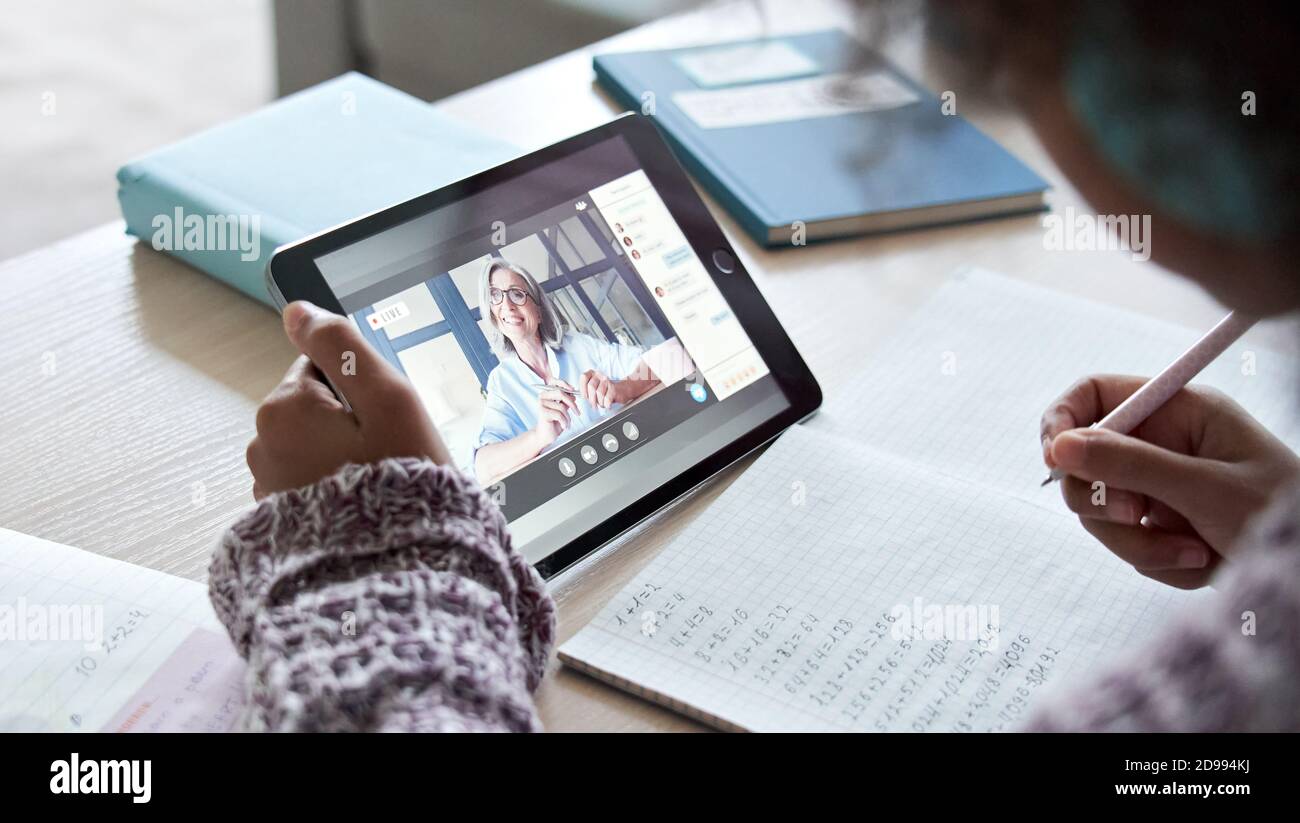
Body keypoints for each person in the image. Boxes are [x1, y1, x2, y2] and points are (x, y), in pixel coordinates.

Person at [215, 0, 1300, 731]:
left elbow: (654, 362)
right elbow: (485, 456)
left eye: (1014, 61)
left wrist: (375, 553)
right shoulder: (502, 387)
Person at [471, 257, 661, 483]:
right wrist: (539, 436)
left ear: (538, 311)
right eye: (495, 296)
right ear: (493, 316)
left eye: (517, 294)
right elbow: (483, 467)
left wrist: (622, 389)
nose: (507, 305)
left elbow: (660, 361)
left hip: (632, 458)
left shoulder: (577, 345)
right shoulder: (502, 382)